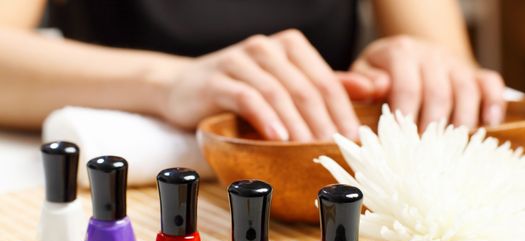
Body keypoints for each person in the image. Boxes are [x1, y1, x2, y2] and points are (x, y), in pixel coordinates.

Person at [0, 0, 505, 141]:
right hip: (129, 192)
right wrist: (171, 82)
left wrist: (415, 66)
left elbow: (449, 65)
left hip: (319, 191)